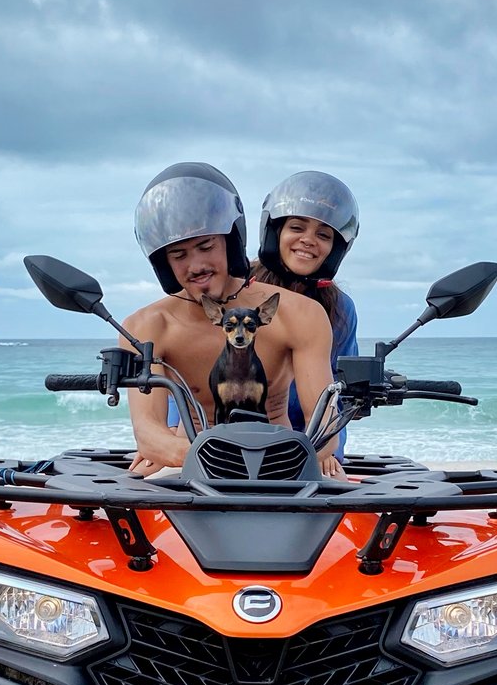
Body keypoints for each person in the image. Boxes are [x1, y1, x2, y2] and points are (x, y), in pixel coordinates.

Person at [124, 162, 344, 476]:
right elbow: (148, 434)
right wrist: (220, 461)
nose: (196, 264)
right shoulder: (146, 327)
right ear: (163, 263)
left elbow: (324, 428)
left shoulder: (300, 313)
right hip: (187, 461)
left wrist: (304, 455)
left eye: (205, 246)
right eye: (179, 255)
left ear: (230, 241)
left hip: (280, 458)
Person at [255, 172, 360, 442]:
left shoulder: (340, 308)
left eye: (323, 234)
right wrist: (173, 433)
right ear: (275, 232)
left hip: (304, 445)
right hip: (222, 437)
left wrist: (327, 451)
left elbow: (338, 392)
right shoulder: (238, 289)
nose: (308, 240)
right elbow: (189, 368)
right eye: (297, 228)